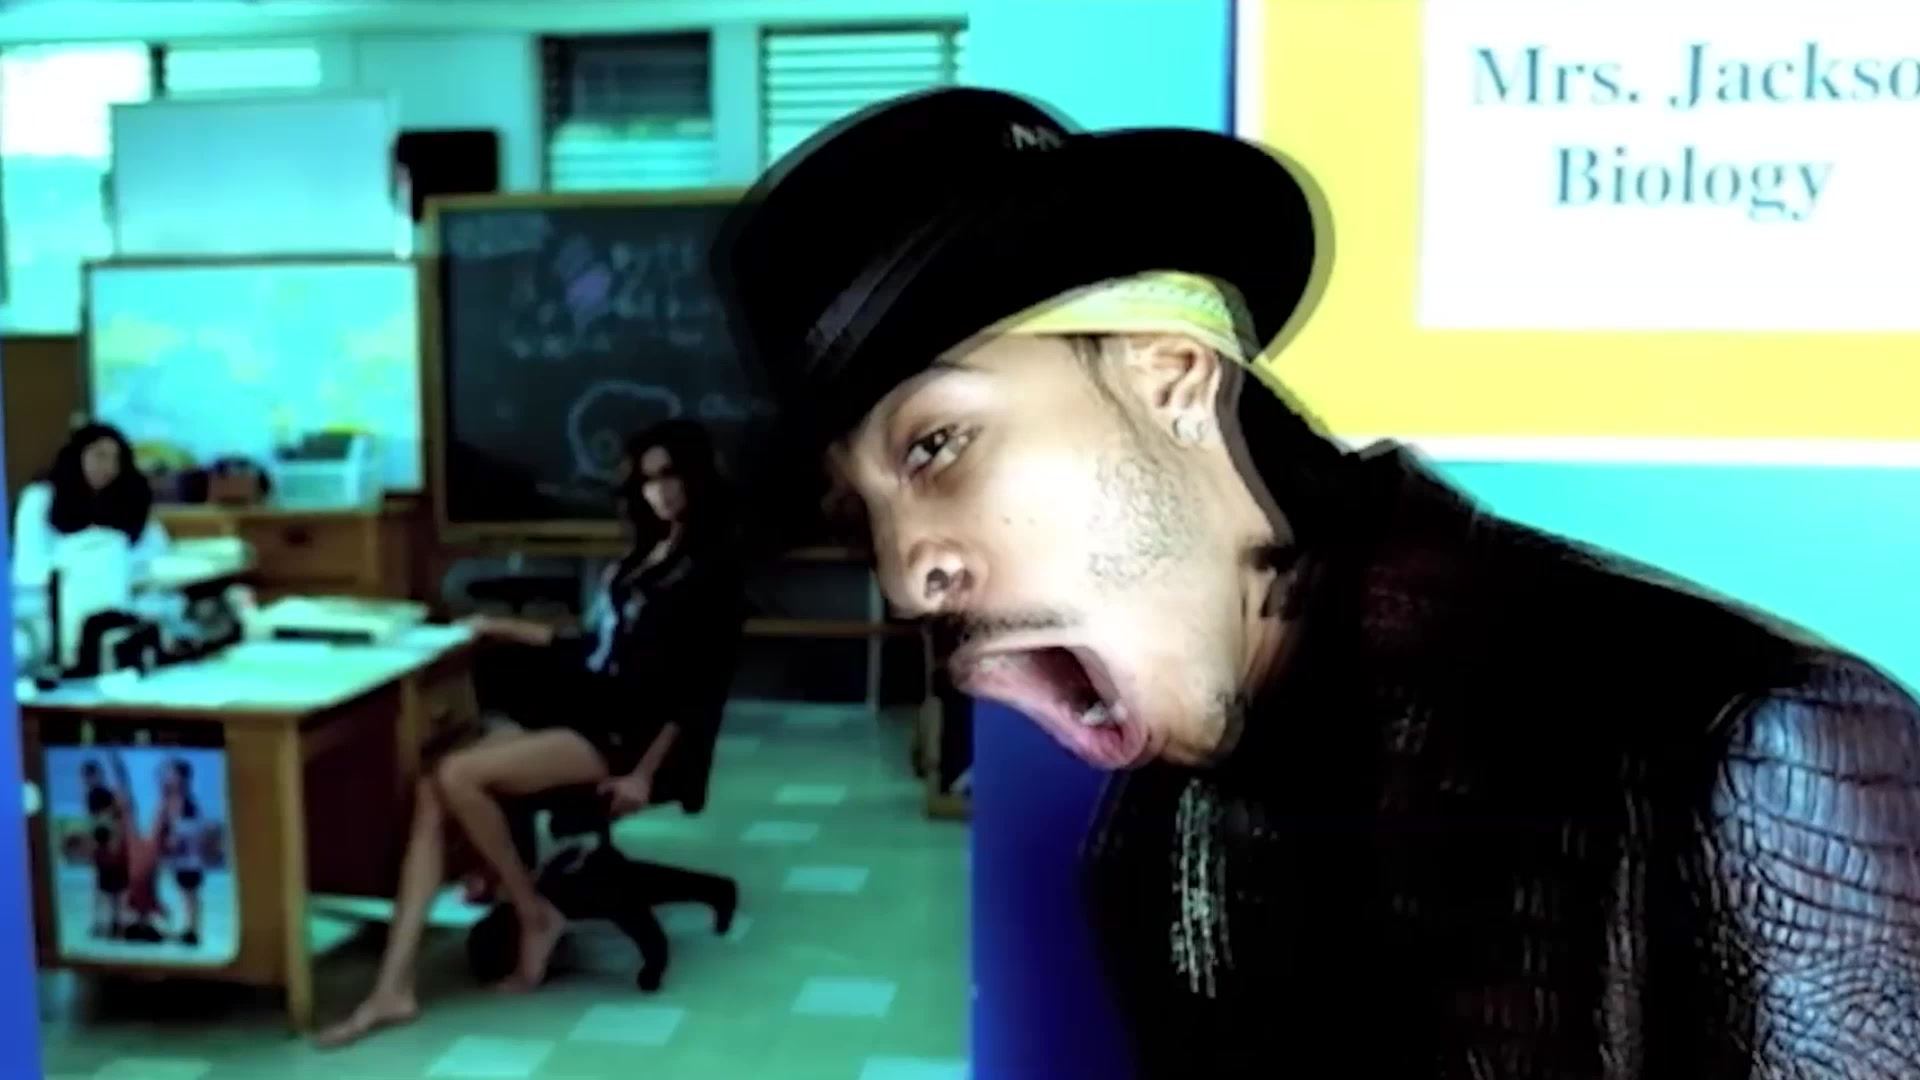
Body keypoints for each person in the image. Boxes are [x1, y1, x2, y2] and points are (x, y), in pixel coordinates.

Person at [713, 87, 1920, 1077]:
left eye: (936, 444)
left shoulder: (1755, 752)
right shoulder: (1155, 832)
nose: (907, 574)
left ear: (1172, 375)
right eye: (862, 513)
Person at [317, 418, 743, 1048]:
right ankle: (393, 989)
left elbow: (695, 693)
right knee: (434, 788)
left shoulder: (709, 569)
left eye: (670, 477)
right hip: (590, 708)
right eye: (648, 480)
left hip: (630, 735)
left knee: (459, 774)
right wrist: (500, 626)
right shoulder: (643, 556)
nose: (660, 492)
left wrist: (643, 775)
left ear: (696, 478)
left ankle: (531, 912)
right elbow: (595, 647)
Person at [12, 422, 168, 596]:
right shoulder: (40, 497)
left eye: (116, 460)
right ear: (77, 456)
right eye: (100, 456)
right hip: (50, 598)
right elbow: (29, 569)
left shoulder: (130, 498)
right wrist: (90, 573)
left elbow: (155, 554)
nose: (109, 467)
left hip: (118, 596)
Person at [158, 758, 208, 947]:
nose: (170, 777)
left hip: (189, 856)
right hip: (182, 856)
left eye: (173, 773)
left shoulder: (187, 802)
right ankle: (190, 928)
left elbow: (188, 829)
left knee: (191, 892)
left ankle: (193, 930)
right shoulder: (174, 798)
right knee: (186, 893)